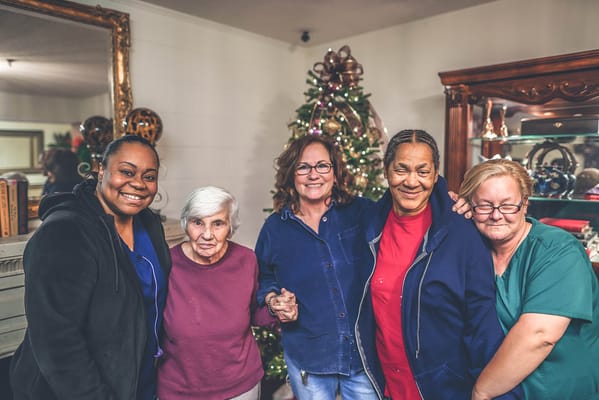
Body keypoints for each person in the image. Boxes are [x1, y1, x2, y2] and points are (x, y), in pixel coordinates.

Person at [356, 129, 522, 400]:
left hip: (444, 389)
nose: (411, 181)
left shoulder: (461, 231)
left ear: (435, 176)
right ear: (386, 172)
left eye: (423, 171)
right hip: (386, 387)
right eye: (401, 170)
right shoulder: (369, 225)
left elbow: (481, 320)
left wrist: (499, 393)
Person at [10, 135, 171, 400]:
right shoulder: (64, 232)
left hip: (138, 382)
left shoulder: (150, 224)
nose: (138, 184)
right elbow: (58, 344)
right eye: (126, 171)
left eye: (149, 176)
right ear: (100, 169)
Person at [458, 158, 599, 400]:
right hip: (505, 391)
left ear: (525, 204)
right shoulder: (473, 249)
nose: (495, 215)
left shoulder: (557, 249)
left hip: (557, 391)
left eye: (507, 205)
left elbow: (539, 335)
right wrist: (449, 212)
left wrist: (481, 392)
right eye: (484, 205)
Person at [256, 134, 381, 399]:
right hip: (308, 356)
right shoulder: (275, 228)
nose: (314, 174)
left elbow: (409, 214)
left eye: (322, 166)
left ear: (335, 173)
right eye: (303, 167)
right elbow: (263, 277)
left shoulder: (362, 212)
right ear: (292, 174)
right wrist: (273, 299)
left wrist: (451, 202)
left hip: (362, 355)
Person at [157, 186, 289, 400]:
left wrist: (277, 309)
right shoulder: (166, 263)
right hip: (179, 390)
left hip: (240, 387)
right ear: (186, 223)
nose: (207, 235)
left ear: (230, 226)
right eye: (197, 222)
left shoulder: (246, 260)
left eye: (218, 223)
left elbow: (254, 313)